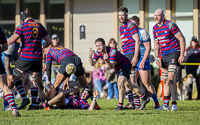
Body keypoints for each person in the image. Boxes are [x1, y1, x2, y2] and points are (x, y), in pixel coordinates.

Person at [7, 8, 52, 110]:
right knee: (33, 80)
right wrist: (42, 47)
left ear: (23, 18)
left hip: (26, 56)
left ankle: (24, 98)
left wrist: (3, 42)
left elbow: (12, 40)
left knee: (15, 77)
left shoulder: (22, 26)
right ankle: (34, 104)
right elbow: (49, 41)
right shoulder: (40, 25)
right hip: (38, 57)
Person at [89, 38, 150, 110]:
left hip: (125, 65)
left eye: (100, 45)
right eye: (97, 46)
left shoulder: (112, 52)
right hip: (119, 68)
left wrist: (106, 60)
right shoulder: (98, 53)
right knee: (130, 85)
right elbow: (93, 64)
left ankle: (120, 106)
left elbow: (112, 66)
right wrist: (90, 56)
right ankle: (144, 98)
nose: (98, 47)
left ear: (104, 45)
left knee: (120, 83)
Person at [153, 9, 185, 111]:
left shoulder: (170, 25)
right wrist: (157, 57)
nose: (156, 17)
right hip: (164, 55)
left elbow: (181, 39)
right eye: (155, 16)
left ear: (163, 16)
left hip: (174, 52)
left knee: (171, 77)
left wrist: (182, 54)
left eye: (158, 15)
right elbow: (156, 43)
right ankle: (166, 105)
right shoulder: (154, 28)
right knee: (165, 80)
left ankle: (174, 104)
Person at [125, 16, 160, 109]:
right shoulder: (129, 33)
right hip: (133, 58)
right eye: (132, 24)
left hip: (142, 58)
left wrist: (143, 60)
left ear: (138, 23)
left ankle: (157, 104)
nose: (133, 25)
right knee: (131, 82)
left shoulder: (142, 32)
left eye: (135, 23)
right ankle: (136, 104)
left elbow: (148, 48)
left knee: (146, 82)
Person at [118, 6, 144, 109]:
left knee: (129, 80)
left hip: (132, 54)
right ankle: (137, 101)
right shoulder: (121, 27)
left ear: (126, 15)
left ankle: (136, 102)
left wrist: (135, 57)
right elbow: (124, 43)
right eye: (119, 15)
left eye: (123, 15)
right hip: (125, 55)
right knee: (127, 82)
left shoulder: (130, 25)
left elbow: (137, 41)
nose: (121, 17)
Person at [0, 27, 20, 116]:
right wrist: (9, 74)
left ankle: (7, 105)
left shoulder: (17, 44)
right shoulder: (1, 30)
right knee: (5, 86)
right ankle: (13, 108)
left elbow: (16, 57)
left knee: (8, 85)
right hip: (2, 64)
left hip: (4, 65)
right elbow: (5, 47)